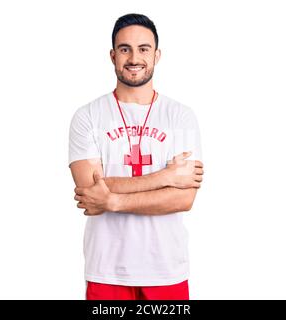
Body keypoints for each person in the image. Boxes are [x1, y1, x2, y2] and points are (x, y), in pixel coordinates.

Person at [68, 13, 203, 300]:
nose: (134, 58)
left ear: (157, 55)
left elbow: (183, 199)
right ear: (112, 55)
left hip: (167, 269)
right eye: (125, 48)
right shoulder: (87, 117)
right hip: (106, 269)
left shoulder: (180, 116)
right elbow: (91, 192)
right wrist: (166, 177)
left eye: (143, 49)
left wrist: (113, 199)